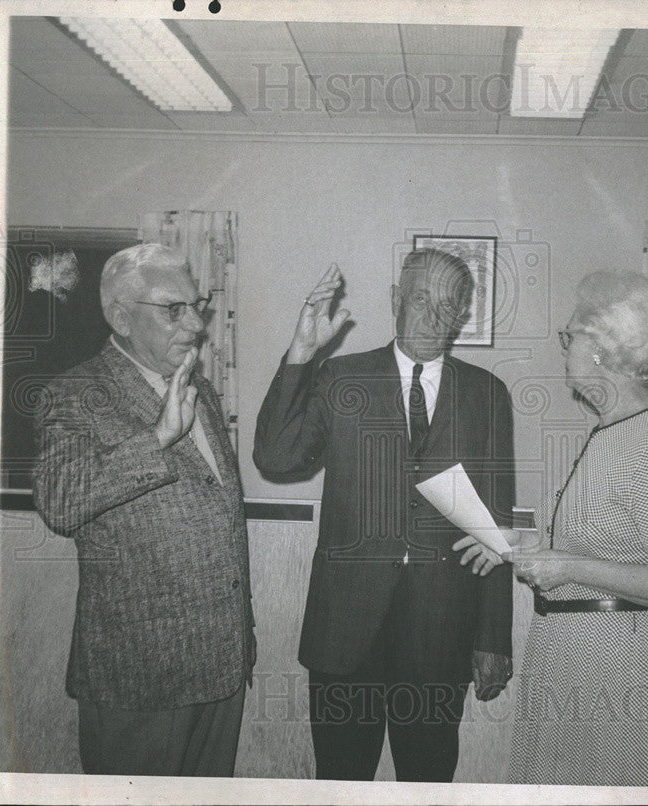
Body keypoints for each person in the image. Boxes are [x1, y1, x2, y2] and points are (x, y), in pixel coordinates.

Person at [253, 250, 515, 783]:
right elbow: (276, 458)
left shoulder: (487, 394)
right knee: (341, 782)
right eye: (421, 298)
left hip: (440, 632)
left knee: (428, 781)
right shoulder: (341, 377)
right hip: (344, 632)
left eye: (449, 305)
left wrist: (492, 636)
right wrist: (302, 351)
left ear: (463, 315)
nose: (434, 316)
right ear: (396, 300)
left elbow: (495, 523)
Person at [463, 270, 648, 786]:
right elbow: (604, 543)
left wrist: (569, 566)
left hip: (617, 666)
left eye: (570, 335)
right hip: (571, 654)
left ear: (600, 348)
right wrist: (518, 545)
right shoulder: (610, 431)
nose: (565, 347)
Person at [32, 243, 255, 776]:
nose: (196, 323)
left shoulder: (200, 389)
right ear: (121, 317)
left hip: (222, 667)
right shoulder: (73, 393)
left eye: (195, 305)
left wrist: (242, 630)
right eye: (173, 309)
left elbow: (218, 518)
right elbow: (61, 503)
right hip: (140, 679)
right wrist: (157, 438)